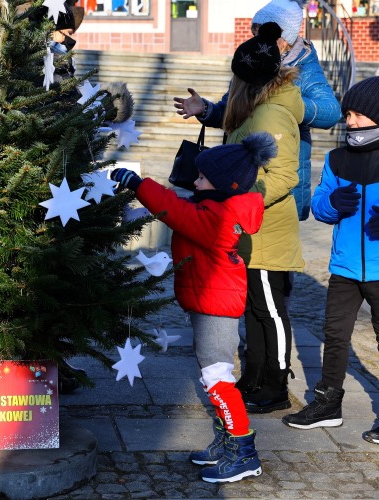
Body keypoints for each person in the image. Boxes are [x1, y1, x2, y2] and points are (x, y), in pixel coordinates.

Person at [110, 131, 278, 482]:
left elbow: (177, 212)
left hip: (217, 306)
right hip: (209, 301)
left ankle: (243, 450)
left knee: (217, 377)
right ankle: (227, 440)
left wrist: (140, 184)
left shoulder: (216, 218)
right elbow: (184, 204)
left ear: (221, 184)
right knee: (211, 374)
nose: (195, 181)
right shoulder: (218, 206)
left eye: (202, 178)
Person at [174, 0, 341, 223]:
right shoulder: (251, 58)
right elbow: (230, 111)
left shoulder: (304, 66)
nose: (255, 36)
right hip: (240, 176)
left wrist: (290, 105)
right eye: (254, 30)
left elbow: (331, 111)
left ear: (284, 38)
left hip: (275, 188)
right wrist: (206, 109)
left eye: (261, 31)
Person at [212, 21, 305, 414]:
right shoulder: (255, 109)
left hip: (266, 231)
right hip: (247, 231)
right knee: (252, 308)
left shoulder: (271, 115)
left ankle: (277, 382)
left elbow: (284, 175)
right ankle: (254, 373)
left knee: (270, 310)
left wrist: (240, 200)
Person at [282, 77, 379, 446]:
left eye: (358, 115)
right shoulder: (337, 158)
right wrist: (332, 203)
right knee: (335, 336)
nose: (350, 122)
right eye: (348, 115)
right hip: (344, 268)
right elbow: (319, 206)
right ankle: (327, 404)